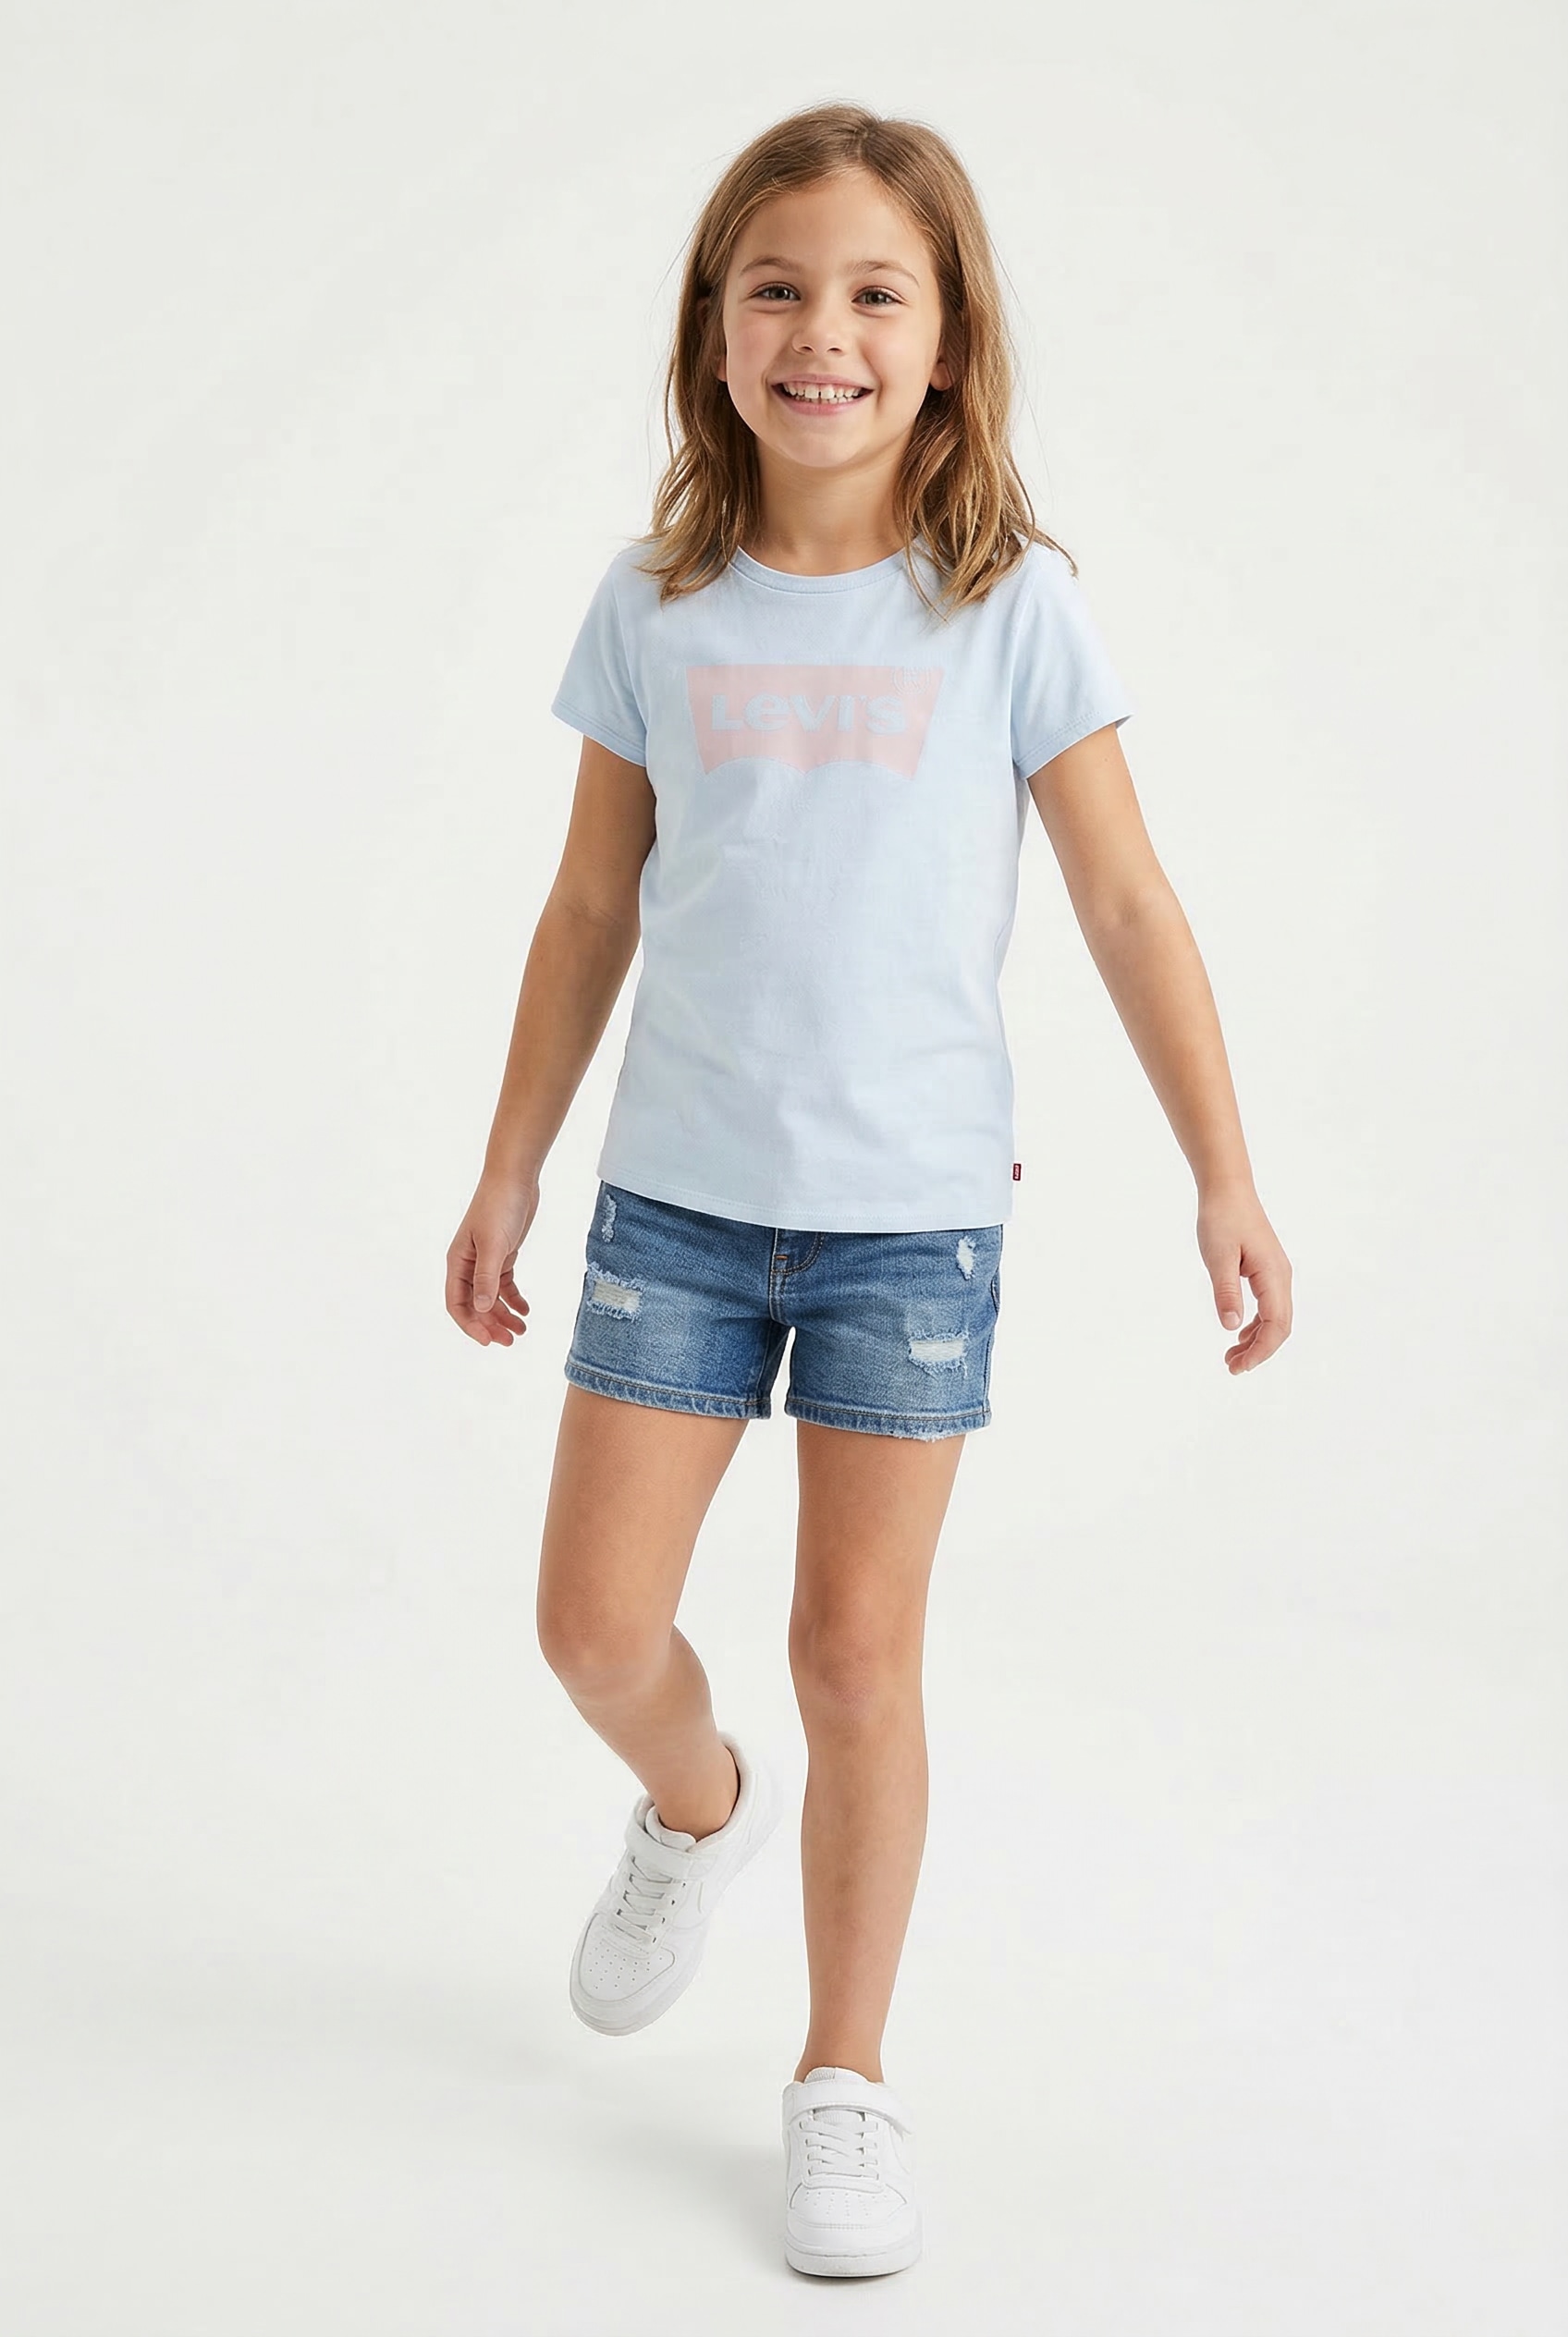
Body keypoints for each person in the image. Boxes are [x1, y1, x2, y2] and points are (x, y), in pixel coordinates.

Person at [445, 101, 1292, 2281]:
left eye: (870, 293)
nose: (819, 331)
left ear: (944, 339)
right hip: (673, 1206)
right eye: (775, 289)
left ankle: (842, 2075)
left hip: (910, 1223)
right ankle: (692, 1812)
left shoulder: (1007, 609)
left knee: (852, 1650)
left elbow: (1125, 902)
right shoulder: (653, 605)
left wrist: (1219, 1172)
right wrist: (509, 1166)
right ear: (714, 332)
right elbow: (584, 909)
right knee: (591, 1624)